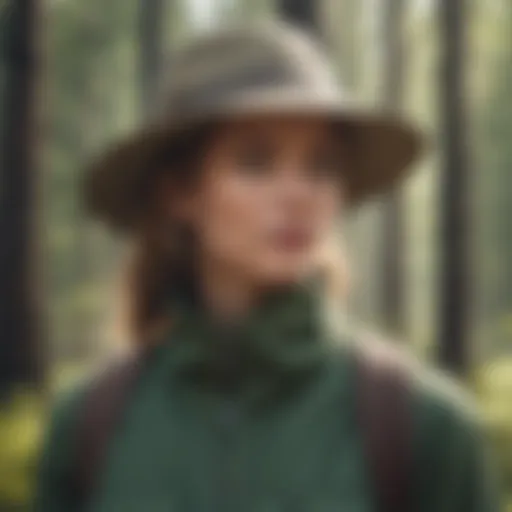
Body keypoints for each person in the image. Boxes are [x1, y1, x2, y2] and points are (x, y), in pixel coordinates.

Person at [35, 21, 500, 512]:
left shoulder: (425, 430)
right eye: (256, 161)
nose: (299, 195)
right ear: (181, 192)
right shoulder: (89, 428)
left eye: (321, 166)